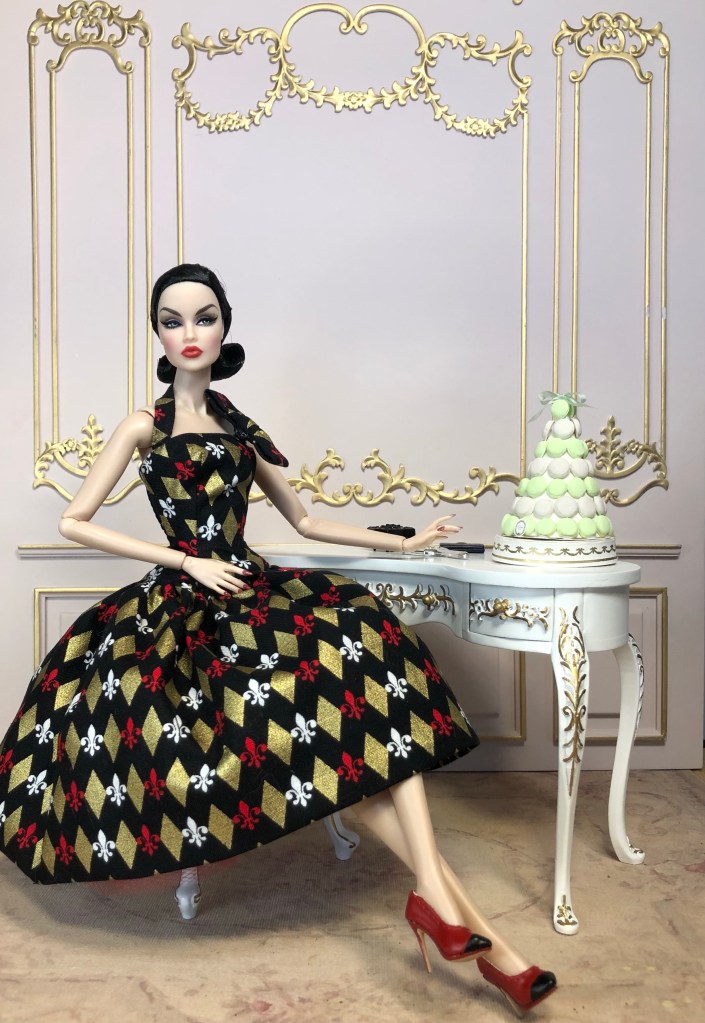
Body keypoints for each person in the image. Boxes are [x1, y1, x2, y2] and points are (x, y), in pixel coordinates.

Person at [0, 264, 556, 1012]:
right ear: (157, 334)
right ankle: (486, 942)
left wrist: (403, 541)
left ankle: (440, 900)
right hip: (185, 616)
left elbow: (305, 520)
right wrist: (185, 560)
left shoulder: (241, 428)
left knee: (366, 659)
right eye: (172, 320)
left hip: (256, 598)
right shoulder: (144, 425)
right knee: (354, 756)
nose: (189, 333)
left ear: (224, 326)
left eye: (204, 318)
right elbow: (74, 520)